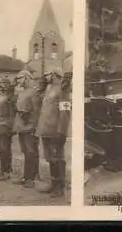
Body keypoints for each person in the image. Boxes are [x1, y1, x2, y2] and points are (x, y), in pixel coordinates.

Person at [36, 67, 72, 197]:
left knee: (57, 158)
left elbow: (65, 112)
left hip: (55, 130)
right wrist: (43, 82)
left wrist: (61, 131)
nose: (46, 76)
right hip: (46, 130)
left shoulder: (63, 90)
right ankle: (53, 183)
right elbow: (38, 94)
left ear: (55, 75)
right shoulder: (48, 89)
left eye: (49, 74)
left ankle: (60, 188)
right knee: (50, 158)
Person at [12, 70, 40, 188]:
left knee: (31, 152)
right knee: (25, 152)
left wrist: (34, 125)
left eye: (20, 78)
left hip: (29, 127)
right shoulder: (22, 92)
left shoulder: (34, 92)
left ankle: (31, 179)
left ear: (27, 78)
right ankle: (25, 176)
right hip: (21, 126)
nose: (18, 81)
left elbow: (36, 110)